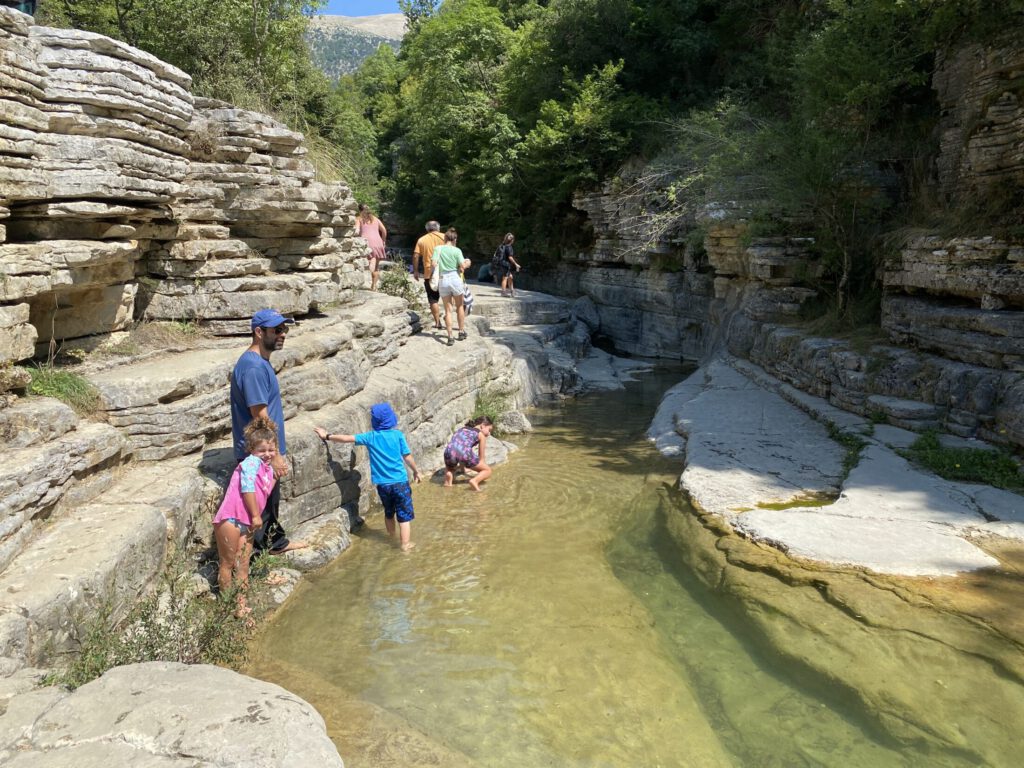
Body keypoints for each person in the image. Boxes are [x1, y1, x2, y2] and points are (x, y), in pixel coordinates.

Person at [230, 308, 305, 554]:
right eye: (277, 330)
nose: (282, 334)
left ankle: (276, 545)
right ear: (259, 332)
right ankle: (259, 563)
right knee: (259, 511)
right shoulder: (252, 368)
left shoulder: (259, 363)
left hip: (263, 452)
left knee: (270, 505)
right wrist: (275, 454)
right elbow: (260, 416)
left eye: (284, 329)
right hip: (259, 454)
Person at [314, 403, 422, 551]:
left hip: (383, 485)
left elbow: (347, 438)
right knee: (404, 517)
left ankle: (392, 538)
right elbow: (407, 456)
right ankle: (405, 545)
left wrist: (327, 436)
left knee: (389, 513)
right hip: (400, 483)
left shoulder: (370, 437)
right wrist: (416, 471)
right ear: (391, 419)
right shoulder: (397, 435)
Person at [212, 417, 277, 619]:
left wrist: (276, 475)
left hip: (247, 523)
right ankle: (227, 605)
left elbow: (264, 493)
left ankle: (240, 607)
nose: (267, 455)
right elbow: (247, 488)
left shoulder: (267, 470)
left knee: (243, 565)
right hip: (231, 519)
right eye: (262, 451)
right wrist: (257, 516)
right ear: (251, 450)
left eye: (270, 450)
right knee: (228, 564)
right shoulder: (250, 463)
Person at [435, 228, 468, 346]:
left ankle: (450, 337)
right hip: (455, 278)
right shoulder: (457, 250)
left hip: (443, 279)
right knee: (459, 306)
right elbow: (462, 265)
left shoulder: (438, 249)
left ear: (444, 238)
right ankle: (461, 331)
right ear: (454, 239)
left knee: (448, 310)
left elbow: (433, 263)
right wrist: (467, 262)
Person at [443, 416, 493, 492]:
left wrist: (463, 470)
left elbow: (459, 447)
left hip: (448, 451)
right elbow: (481, 459)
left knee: (449, 469)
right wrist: (482, 468)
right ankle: (475, 481)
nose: (489, 433)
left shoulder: (462, 429)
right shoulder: (481, 435)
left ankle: (449, 477)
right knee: (488, 470)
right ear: (482, 426)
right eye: (489, 430)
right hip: (464, 453)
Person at [412, 220, 445, 329]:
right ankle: (449, 320)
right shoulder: (445, 238)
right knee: (448, 298)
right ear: (438, 228)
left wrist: (416, 271)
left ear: (427, 229)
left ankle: (437, 322)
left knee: (433, 299)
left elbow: (416, 256)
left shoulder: (422, 240)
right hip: (446, 272)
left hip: (429, 273)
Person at [357, 203, 387, 292]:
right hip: (378, 242)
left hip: (366, 243)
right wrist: (383, 241)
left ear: (360, 211)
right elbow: (384, 230)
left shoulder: (359, 219)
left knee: (369, 262)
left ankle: (369, 269)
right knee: (376, 267)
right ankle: (373, 286)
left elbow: (357, 230)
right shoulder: (376, 219)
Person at [497, 233, 521, 297]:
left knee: (510, 277)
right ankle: (503, 292)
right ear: (512, 240)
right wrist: (516, 264)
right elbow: (510, 257)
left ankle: (512, 291)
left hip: (502, 263)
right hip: (506, 264)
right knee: (505, 278)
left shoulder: (503, 245)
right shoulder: (509, 247)